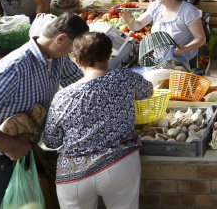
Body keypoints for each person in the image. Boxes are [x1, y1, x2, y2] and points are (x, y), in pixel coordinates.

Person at [0, 13, 87, 208]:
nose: (75, 52)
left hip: (20, 158)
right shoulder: (14, 67)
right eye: (74, 47)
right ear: (61, 39)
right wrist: (9, 145)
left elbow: (81, 85)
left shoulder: (57, 58)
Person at [44, 32, 152, 209]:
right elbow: (148, 91)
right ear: (110, 55)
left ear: (77, 61)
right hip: (118, 164)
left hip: (73, 173)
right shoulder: (124, 77)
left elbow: (51, 140)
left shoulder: (62, 96)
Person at [123, 0, 207, 69]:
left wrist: (184, 49)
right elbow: (137, 26)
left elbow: (201, 39)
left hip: (183, 62)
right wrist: (131, 22)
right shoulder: (155, 6)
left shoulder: (188, 11)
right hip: (160, 61)